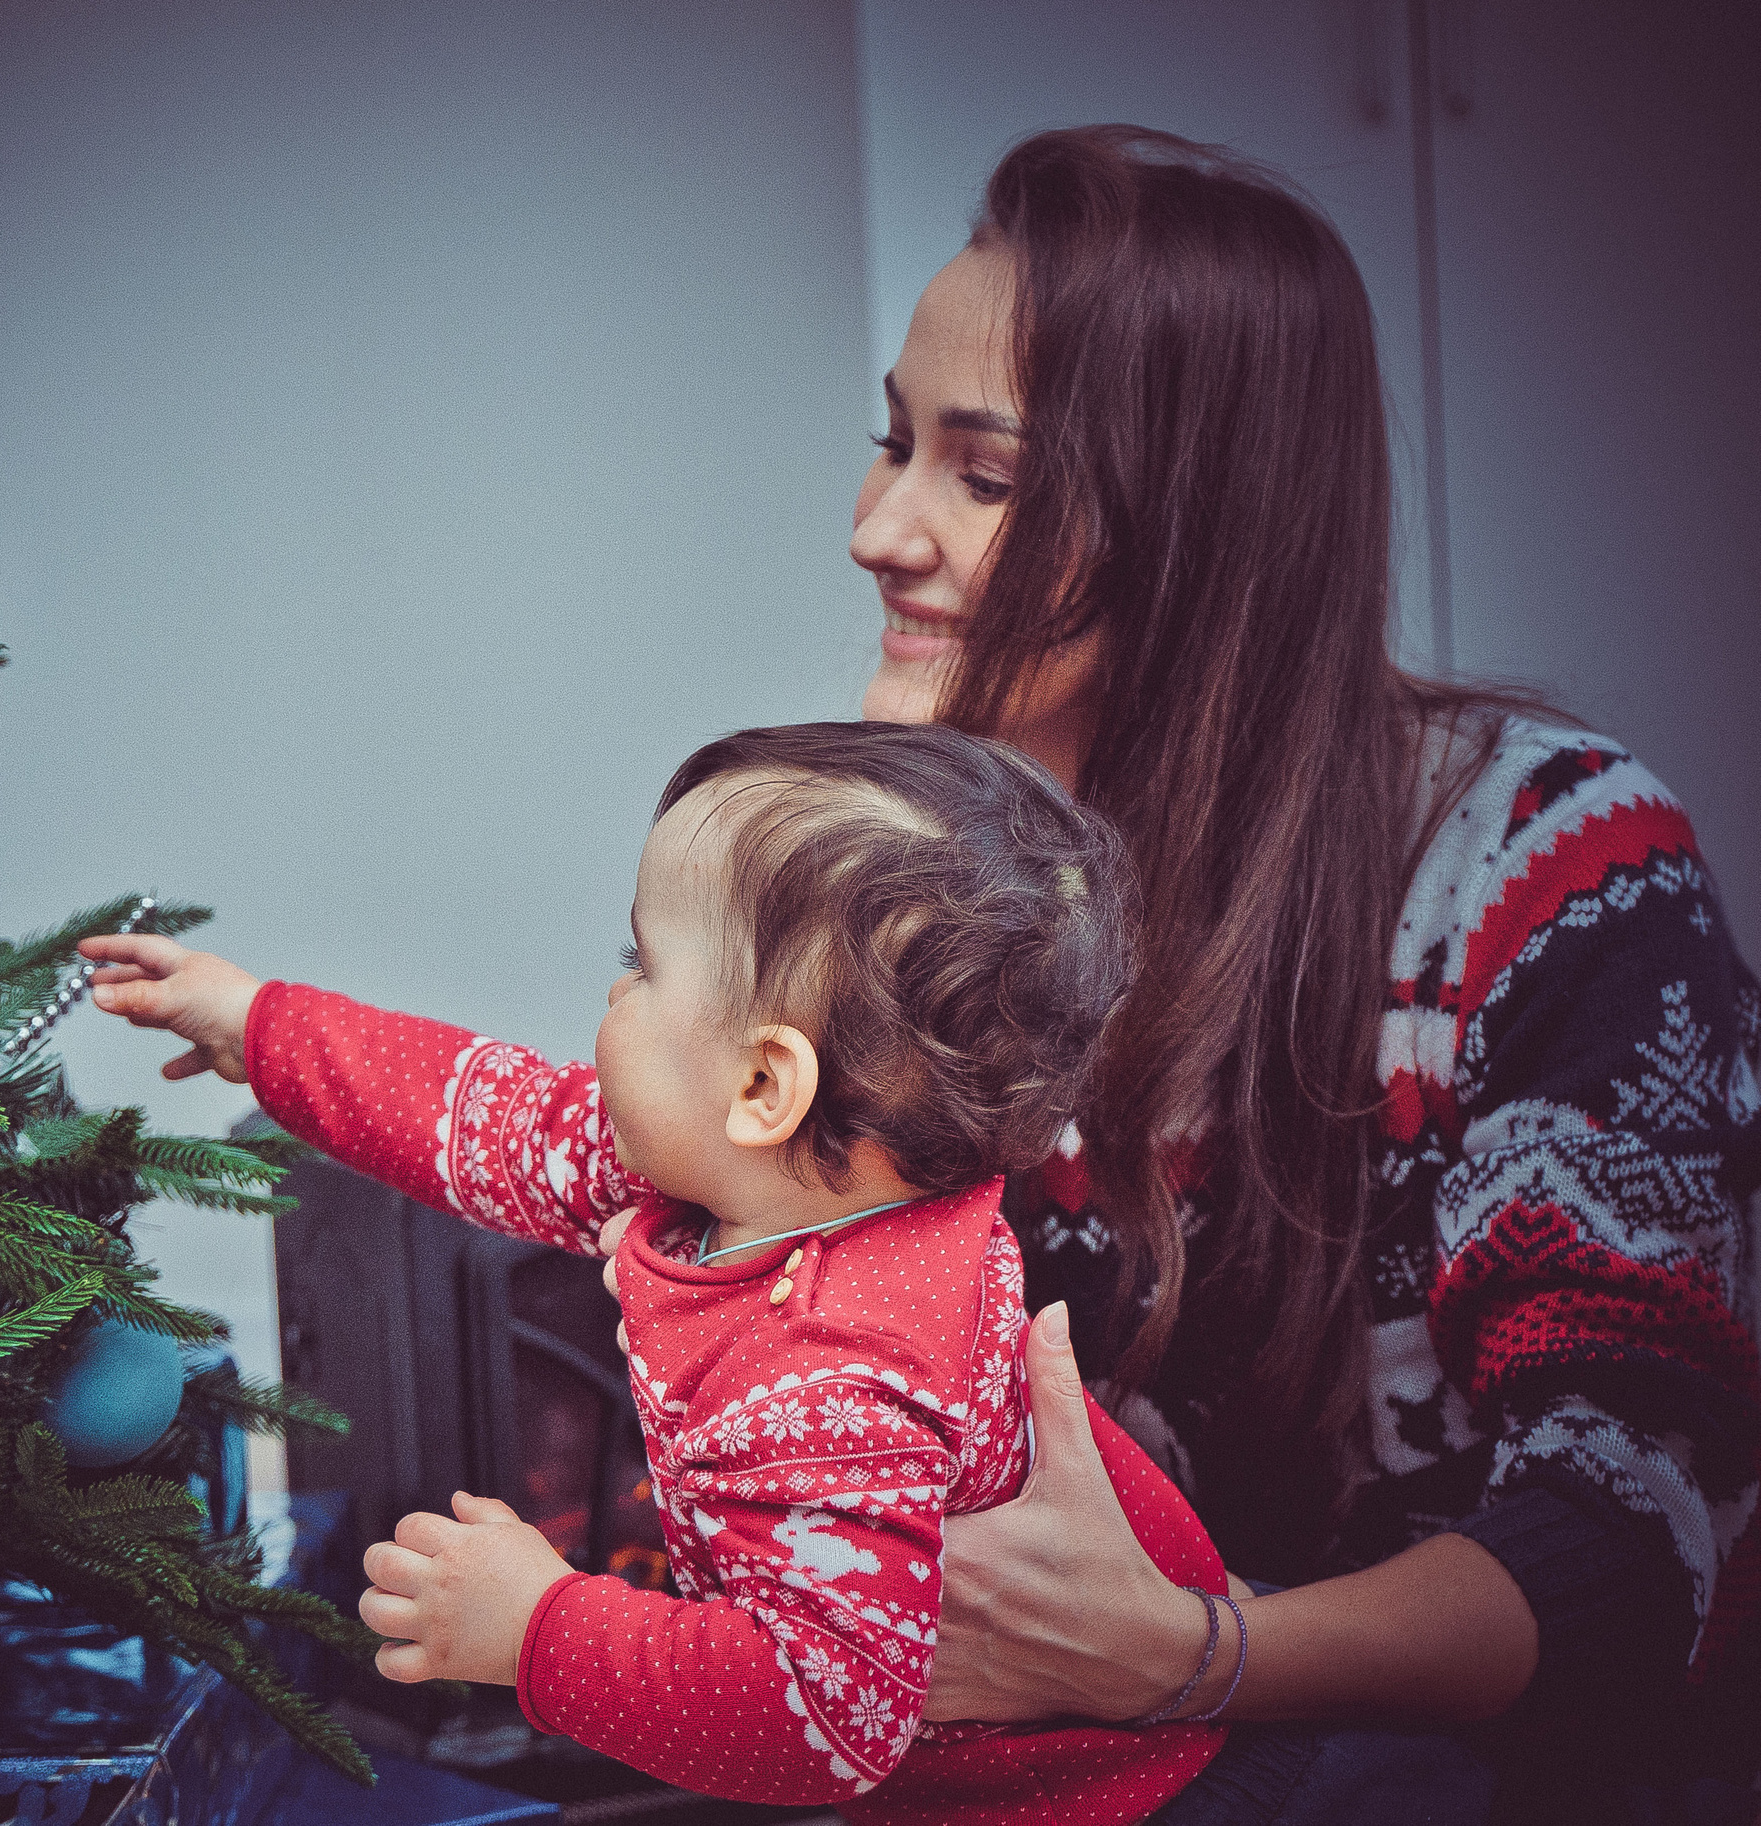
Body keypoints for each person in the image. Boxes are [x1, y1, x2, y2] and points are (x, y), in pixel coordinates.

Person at [106, 125, 1761, 1822]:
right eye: (891, 444)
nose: (874, 527)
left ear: (1202, 531)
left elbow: (1629, 1540)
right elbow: (549, 1131)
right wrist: (262, 1025)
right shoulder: (926, 880)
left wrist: (1187, 1653)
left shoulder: (1547, 867)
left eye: (983, 474)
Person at [93, 718, 1242, 1822]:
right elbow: (479, 1111)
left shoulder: (835, 1379)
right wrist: (259, 1025)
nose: (612, 992)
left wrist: (539, 1628)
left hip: (1102, 1804)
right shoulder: (760, 1183)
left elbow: (824, 1718)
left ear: (762, 1087)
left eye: (640, 962)